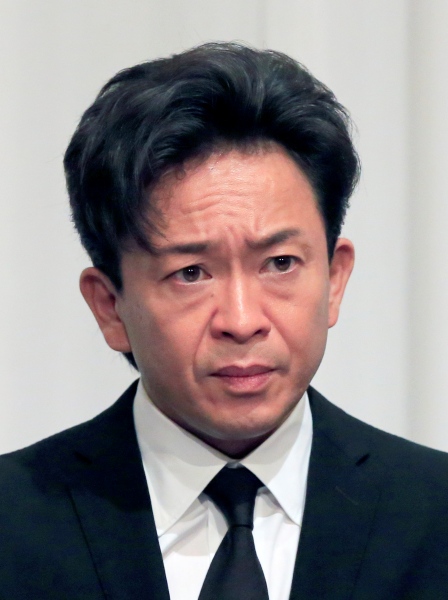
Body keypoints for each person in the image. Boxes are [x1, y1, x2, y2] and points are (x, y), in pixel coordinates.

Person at [1, 42, 448, 600]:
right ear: (109, 306)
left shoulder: (434, 514)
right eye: (191, 273)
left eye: (280, 263)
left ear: (334, 280)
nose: (242, 321)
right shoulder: (15, 522)